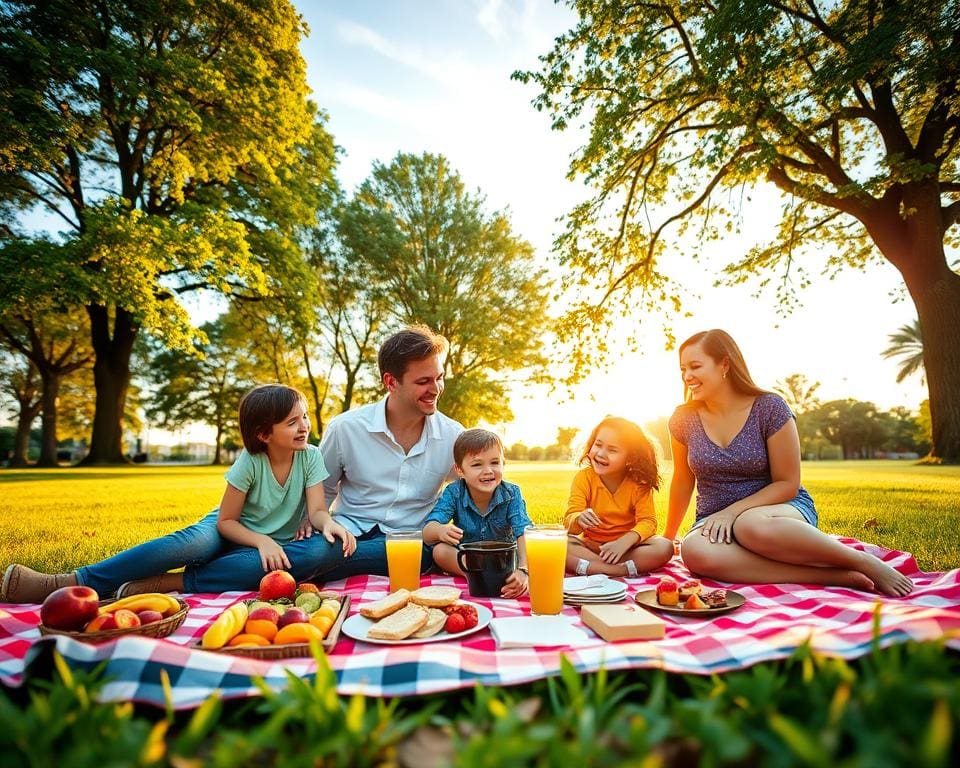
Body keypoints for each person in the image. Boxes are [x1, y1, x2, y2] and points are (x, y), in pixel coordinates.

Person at [1, 385, 357, 602]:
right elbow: (227, 521)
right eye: (293, 422)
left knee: (308, 555)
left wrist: (329, 525)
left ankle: (164, 583)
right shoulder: (250, 461)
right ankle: (73, 581)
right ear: (264, 434)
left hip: (273, 545)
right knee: (193, 546)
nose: (305, 426)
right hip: (232, 530)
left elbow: (317, 510)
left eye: (305, 417)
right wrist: (262, 540)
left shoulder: (310, 456)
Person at [665, 329, 914, 597]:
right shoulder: (683, 419)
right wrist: (669, 537)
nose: (687, 375)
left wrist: (733, 512)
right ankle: (835, 577)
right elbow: (682, 479)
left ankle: (863, 561)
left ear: (724, 364)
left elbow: (788, 483)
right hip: (714, 520)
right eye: (682, 369)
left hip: (777, 512)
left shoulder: (769, 408)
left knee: (749, 525)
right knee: (695, 551)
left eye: (695, 366)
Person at [314, 324, 464, 580]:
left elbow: (473, 491)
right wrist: (321, 529)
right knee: (312, 554)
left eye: (439, 377)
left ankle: (326, 565)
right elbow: (321, 493)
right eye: (423, 381)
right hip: (347, 533)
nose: (436, 388)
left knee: (312, 559)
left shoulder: (453, 436)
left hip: (411, 542)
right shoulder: (345, 428)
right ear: (391, 381)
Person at [422, 429, 531, 598]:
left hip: (503, 562)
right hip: (468, 561)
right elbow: (428, 533)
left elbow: (523, 532)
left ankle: (506, 577)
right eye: (477, 464)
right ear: (460, 470)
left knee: (525, 553)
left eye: (495, 462)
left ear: (503, 463)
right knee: (439, 551)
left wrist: (524, 570)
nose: (488, 470)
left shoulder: (511, 493)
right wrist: (440, 531)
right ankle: (473, 576)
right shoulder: (454, 492)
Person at [564, 417, 675, 577]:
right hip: (591, 548)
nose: (601, 453)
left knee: (664, 547)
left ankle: (592, 568)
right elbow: (569, 519)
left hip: (626, 549)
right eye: (598, 444)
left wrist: (624, 542)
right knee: (560, 542)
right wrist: (578, 518)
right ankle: (619, 571)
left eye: (612, 450)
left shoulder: (639, 483)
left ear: (630, 457)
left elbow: (648, 522)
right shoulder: (584, 478)